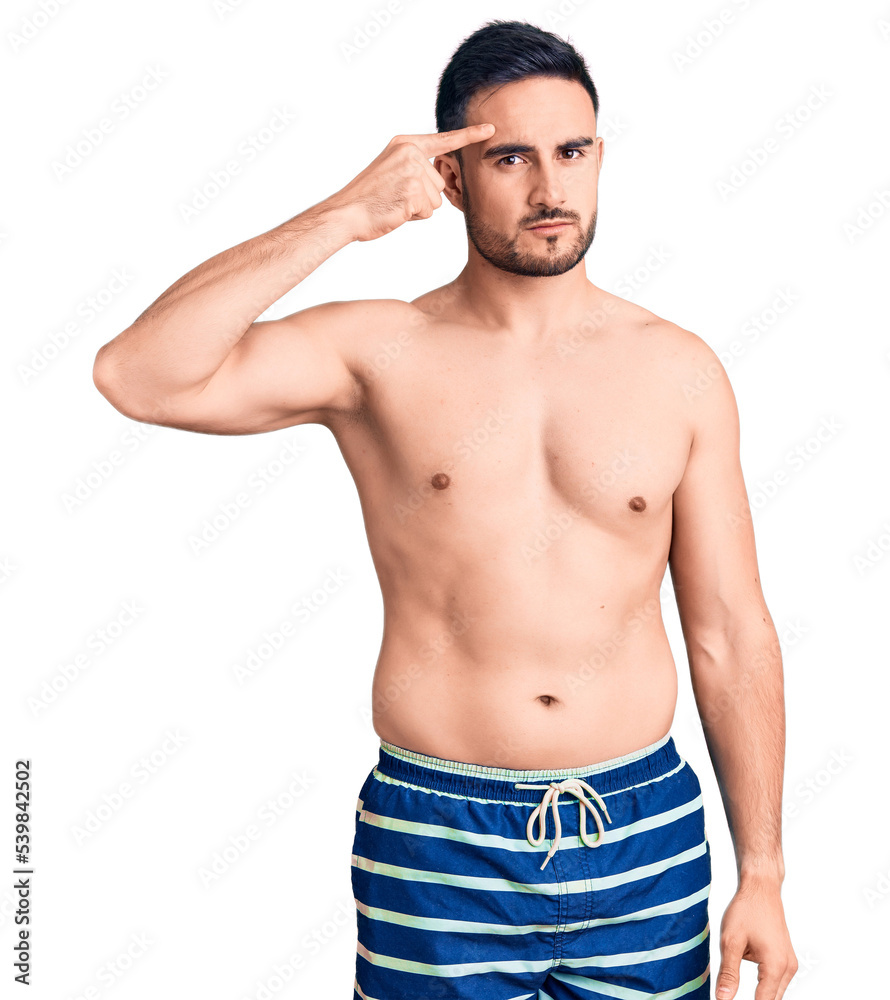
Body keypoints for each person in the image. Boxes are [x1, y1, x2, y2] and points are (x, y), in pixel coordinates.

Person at [92, 18, 797, 1000]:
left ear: (600, 157)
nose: (549, 189)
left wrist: (762, 871)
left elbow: (728, 630)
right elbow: (137, 375)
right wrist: (344, 215)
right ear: (452, 179)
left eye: (571, 152)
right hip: (437, 832)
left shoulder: (679, 371)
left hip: (643, 828)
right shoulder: (380, 351)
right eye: (510, 158)